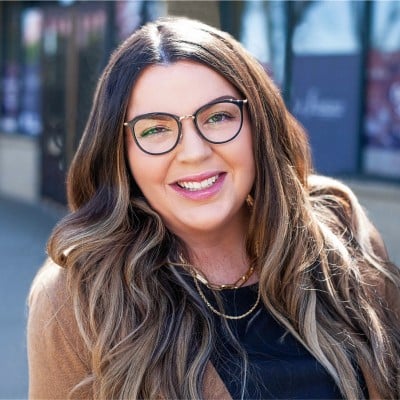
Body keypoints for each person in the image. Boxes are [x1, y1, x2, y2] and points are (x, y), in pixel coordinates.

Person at [27, 16, 400, 400]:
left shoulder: (341, 234)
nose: (194, 152)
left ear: (259, 123)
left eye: (219, 116)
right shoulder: (78, 299)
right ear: (120, 152)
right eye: (155, 129)